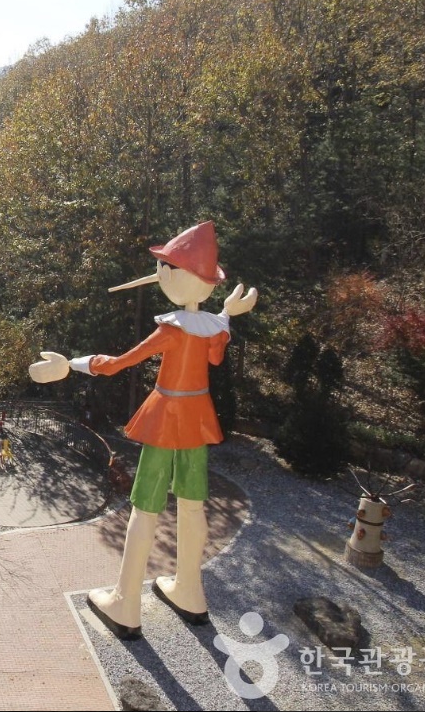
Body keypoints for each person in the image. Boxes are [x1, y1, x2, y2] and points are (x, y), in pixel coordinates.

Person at [29, 221, 257, 640]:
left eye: (166, 268)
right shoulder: (213, 326)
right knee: (192, 504)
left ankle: (125, 603)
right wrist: (226, 314)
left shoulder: (171, 329)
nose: (160, 274)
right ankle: (190, 591)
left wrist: (71, 364)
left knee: (146, 507)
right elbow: (215, 355)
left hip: (166, 418)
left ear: (176, 277)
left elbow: (118, 363)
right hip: (197, 418)